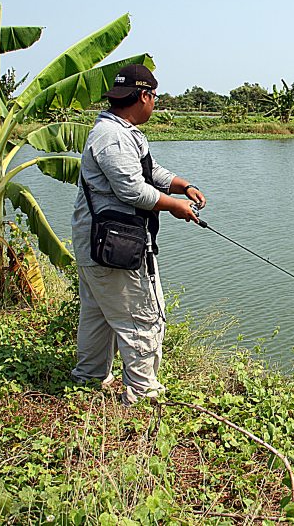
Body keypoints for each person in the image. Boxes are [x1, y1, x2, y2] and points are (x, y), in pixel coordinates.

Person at [70, 64, 205, 405]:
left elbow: (150, 171)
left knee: (98, 316)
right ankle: (144, 395)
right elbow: (131, 189)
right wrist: (174, 206)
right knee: (141, 317)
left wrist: (182, 185)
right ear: (144, 96)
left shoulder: (121, 131)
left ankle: (88, 379)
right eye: (154, 97)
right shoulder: (112, 136)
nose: (154, 103)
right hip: (113, 246)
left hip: (100, 246)